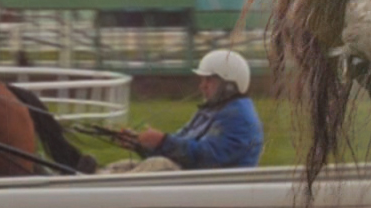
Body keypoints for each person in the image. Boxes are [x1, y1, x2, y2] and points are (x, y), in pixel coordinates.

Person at [103, 48, 263, 173]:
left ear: (228, 84)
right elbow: (180, 147)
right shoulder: (212, 110)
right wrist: (140, 144)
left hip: (216, 188)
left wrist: (162, 141)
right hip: (200, 181)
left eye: (209, 80)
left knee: (159, 166)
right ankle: (94, 174)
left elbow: (207, 157)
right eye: (202, 80)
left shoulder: (239, 117)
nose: (202, 86)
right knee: (126, 165)